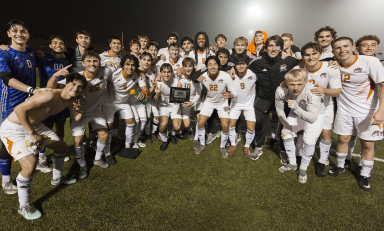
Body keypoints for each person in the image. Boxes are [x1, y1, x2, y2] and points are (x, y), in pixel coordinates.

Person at [0, 71, 86, 220]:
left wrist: (81, 112)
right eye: (73, 84)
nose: (75, 89)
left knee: (61, 146)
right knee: (30, 164)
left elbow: (77, 118)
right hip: (14, 129)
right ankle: (23, 206)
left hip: (36, 127)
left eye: (80, 87)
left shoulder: (72, 99)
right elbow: (19, 110)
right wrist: (32, 133)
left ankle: (57, 178)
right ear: (66, 84)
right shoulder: (50, 95)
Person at [329, 37, 384, 191]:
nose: (342, 50)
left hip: (367, 110)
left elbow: (382, 85)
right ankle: (340, 166)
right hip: (344, 109)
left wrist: (381, 110)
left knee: (367, 143)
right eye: (338, 48)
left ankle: (365, 174)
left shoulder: (370, 62)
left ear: (353, 47)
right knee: (343, 138)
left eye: (346, 46)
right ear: (333, 52)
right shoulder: (335, 65)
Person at [47, 51, 113, 179]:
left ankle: (98, 158)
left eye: (95, 61)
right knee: (78, 140)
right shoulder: (76, 78)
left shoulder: (106, 71)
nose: (92, 64)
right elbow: (50, 88)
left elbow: (119, 68)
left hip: (96, 111)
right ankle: (82, 165)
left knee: (104, 134)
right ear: (83, 63)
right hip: (79, 112)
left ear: (100, 63)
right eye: (88, 61)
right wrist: (55, 76)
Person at [0, 19, 41, 195]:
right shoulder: (4, 53)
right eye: (15, 31)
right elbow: (7, 78)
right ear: (8, 34)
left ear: (28, 35)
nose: (19, 34)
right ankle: (6, 179)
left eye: (23, 31)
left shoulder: (31, 53)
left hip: (29, 103)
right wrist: (31, 89)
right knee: (7, 142)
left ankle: (31, 162)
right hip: (9, 103)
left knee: (30, 132)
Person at [248, 35, 298, 160]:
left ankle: (283, 149)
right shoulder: (256, 62)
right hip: (264, 98)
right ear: (265, 48)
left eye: (277, 46)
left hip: (282, 99)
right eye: (270, 45)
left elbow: (306, 63)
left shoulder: (289, 61)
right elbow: (241, 66)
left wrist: (333, 61)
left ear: (281, 48)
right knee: (259, 122)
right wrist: (232, 69)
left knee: (285, 125)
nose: (273, 48)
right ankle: (258, 146)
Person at [298, 42, 341, 177]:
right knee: (302, 133)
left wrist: (324, 90)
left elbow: (337, 91)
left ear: (320, 54)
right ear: (303, 56)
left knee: (325, 133)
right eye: (307, 55)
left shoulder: (330, 68)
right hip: (305, 107)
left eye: (314, 54)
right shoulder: (299, 68)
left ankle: (322, 161)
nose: (311, 57)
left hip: (325, 106)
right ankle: (299, 157)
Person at [275, 69, 324, 184]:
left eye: (299, 84)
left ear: (306, 82)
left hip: (315, 115)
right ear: (286, 83)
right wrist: (286, 126)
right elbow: (280, 110)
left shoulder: (312, 91)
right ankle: (292, 163)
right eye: (292, 84)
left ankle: (303, 168)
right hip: (296, 112)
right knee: (286, 134)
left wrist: (296, 107)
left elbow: (312, 118)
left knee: (309, 141)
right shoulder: (281, 90)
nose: (295, 88)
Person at [36, 35, 72, 167]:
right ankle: (41, 154)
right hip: (47, 99)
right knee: (45, 128)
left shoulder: (67, 61)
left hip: (61, 98)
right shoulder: (42, 58)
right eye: (55, 43)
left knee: (60, 126)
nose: (58, 45)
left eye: (61, 43)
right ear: (50, 45)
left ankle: (59, 150)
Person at [101, 54, 147, 153]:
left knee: (131, 122)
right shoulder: (114, 73)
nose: (130, 67)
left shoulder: (137, 75)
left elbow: (146, 89)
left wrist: (143, 93)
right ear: (123, 65)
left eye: (133, 65)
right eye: (128, 64)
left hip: (124, 102)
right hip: (110, 102)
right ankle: (107, 152)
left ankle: (127, 147)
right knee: (108, 127)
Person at [195, 56, 237, 157]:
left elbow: (234, 92)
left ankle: (222, 147)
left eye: (215, 64)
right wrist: (197, 81)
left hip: (222, 103)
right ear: (206, 67)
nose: (213, 66)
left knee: (225, 126)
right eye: (210, 64)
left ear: (218, 66)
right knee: (200, 123)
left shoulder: (225, 76)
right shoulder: (203, 77)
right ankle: (202, 144)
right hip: (209, 102)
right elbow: (196, 84)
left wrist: (230, 95)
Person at [227, 54, 257, 157]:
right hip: (235, 104)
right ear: (234, 65)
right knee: (230, 125)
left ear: (247, 65)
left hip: (249, 105)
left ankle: (247, 146)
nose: (241, 66)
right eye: (238, 64)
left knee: (251, 128)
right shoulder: (230, 75)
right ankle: (233, 144)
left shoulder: (253, 75)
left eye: (243, 64)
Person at [153, 63, 182, 151]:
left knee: (177, 127)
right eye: (164, 72)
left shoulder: (177, 82)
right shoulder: (158, 83)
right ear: (160, 73)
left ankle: (173, 135)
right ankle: (164, 140)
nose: (166, 74)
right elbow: (154, 100)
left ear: (172, 73)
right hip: (163, 106)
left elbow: (180, 96)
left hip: (174, 106)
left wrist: (179, 100)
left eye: (168, 72)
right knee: (163, 124)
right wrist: (157, 94)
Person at [179, 57, 201, 139]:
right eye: (186, 66)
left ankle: (199, 136)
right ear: (183, 67)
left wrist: (193, 102)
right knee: (186, 124)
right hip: (186, 101)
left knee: (200, 120)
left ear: (193, 67)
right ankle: (190, 129)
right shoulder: (180, 77)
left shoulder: (197, 77)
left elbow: (199, 93)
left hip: (196, 100)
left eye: (190, 66)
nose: (188, 68)